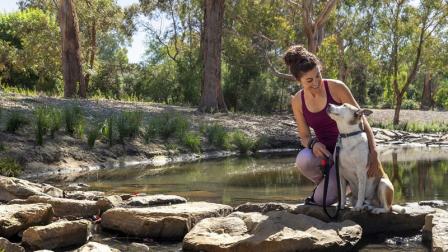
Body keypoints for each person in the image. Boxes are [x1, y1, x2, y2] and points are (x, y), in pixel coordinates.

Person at [284, 45, 381, 206]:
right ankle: (331, 183)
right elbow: (304, 136)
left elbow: (362, 119)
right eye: (309, 80)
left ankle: (346, 183)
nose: (316, 83)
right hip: (327, 156)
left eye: (318, 75)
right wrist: (313, 144)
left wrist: (374, 152)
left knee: (322, 200)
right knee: (304, 160)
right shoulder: (297, 101)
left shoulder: (336, 88)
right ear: (299, 81)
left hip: (350, 153)